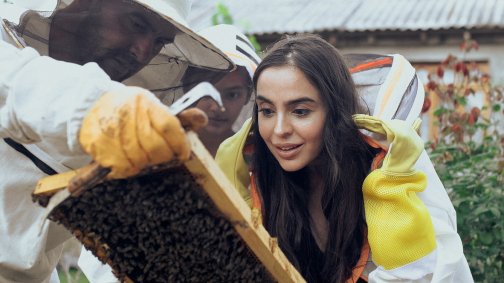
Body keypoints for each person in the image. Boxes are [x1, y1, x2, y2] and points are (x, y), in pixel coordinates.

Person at [0, 0, 234, 282]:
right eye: (137, 24)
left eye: (159, 41)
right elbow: (20, 81)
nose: (142, 51)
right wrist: (94, 109)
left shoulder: (121, 114)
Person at [216, 34, 473, 282]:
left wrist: (388, 196)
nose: (279, 129)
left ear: (334, 112)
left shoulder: (388, 175)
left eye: (301, 111)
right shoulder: (260, 180)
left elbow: (419, 276)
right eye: (267, 110)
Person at [192, 24, 261, 156]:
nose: (218, 107)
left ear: (247, 95)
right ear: (187, 86)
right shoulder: (163, 148)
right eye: (207, 92)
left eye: (232, 95)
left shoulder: (258, 159)